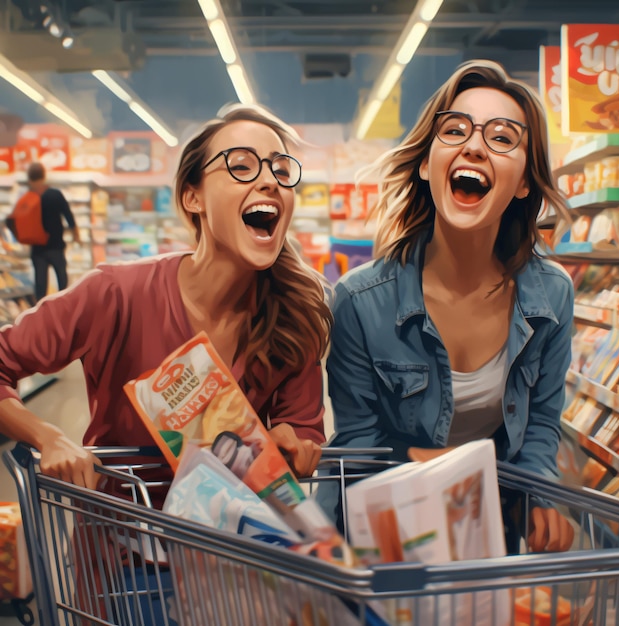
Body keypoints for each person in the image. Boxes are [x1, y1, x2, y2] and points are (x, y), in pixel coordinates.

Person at [0, 103, 332, 506]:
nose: (270, 182)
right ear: (194, 198)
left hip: (232, 553)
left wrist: (292, 444)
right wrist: (48, 437)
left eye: (281, 170)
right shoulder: (115, 294)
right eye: (242, 166)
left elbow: (302, 432)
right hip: (119, 551)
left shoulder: (294, 315)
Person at [324, 60, 575, 553]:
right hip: (387, 531)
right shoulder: (359, 301)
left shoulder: (553, 297)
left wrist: (540, 492)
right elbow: (356, 444)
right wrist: (446, 467)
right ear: (425, 163)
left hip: (487, 527)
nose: (475, 145)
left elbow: (542, 422)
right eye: (455, 129)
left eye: (503, 137)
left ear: (524, 182)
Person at [24, 162, 81, 301]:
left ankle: (40, 317)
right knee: (63, 283)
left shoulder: (28, 197)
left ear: (29, 178)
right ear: (44, 176)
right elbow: (68, 216)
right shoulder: (55, 194)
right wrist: (76, 235)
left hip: (37, 249)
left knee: (40, 288)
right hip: (56, 246)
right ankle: (64, 311)